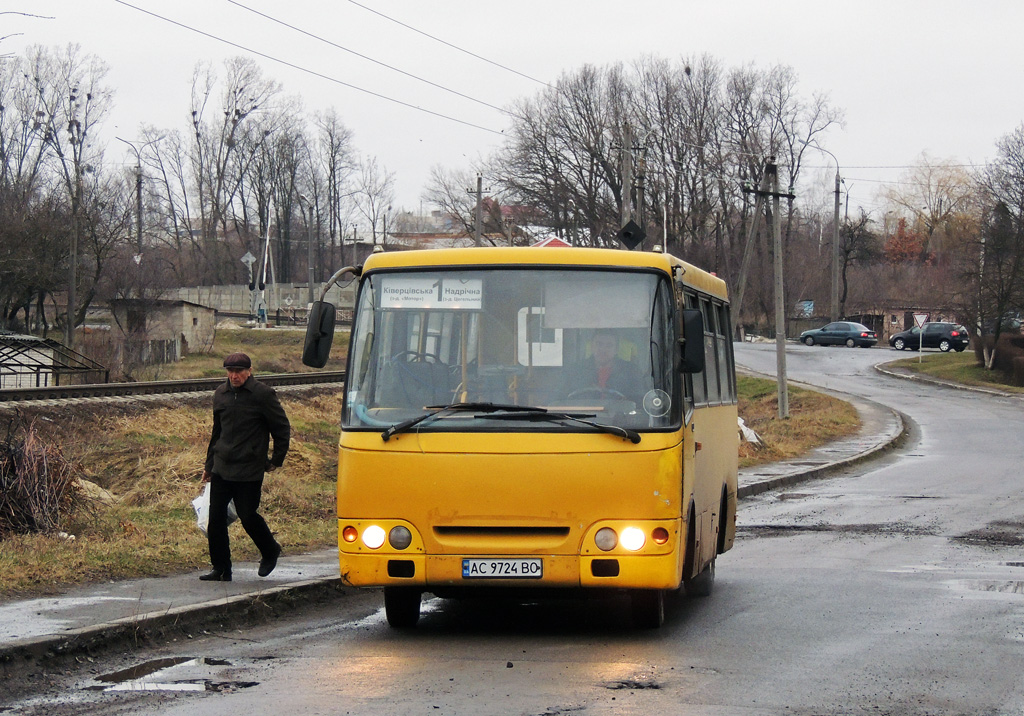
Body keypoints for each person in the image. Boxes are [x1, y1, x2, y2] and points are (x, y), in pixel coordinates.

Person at [200, 352, 290, 582]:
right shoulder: (221, 394)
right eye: (230, 371)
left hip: (249, 468)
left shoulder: (263, 395)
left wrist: (275, 460)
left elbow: (281, 428)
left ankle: (270, 550)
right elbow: (216, 432)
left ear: (249, 371)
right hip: (222, 466)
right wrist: (209, 465)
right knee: (215, 519)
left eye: (238, 371)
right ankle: (221, 569)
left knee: (248, 515)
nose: (234, 376)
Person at [566, 329, 644, 401]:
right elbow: (562, 399)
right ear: (592, 347)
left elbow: (640, 401)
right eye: (599, 344)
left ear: (616, 350)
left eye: (609, 345)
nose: (603, 350)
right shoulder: (574, 371)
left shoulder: (631, 372)